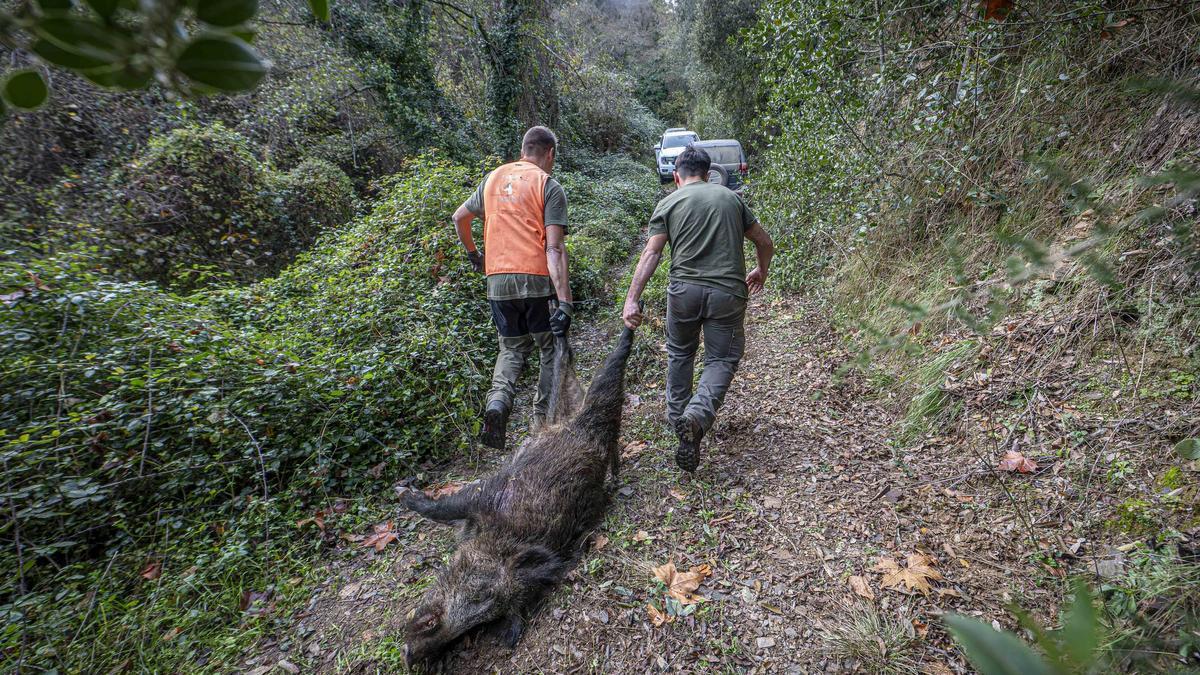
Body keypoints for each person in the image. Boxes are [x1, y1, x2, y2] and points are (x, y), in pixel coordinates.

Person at [621, 145, 774, 473]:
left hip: (683, 293)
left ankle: (679, 420)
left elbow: (652, 254)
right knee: (721, 358)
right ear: (709, 174)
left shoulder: (669, 202)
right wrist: (761, 270)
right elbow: (764, 241)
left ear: (677, 176)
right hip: (727, 293)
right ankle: (697, 416)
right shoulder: (731, 199)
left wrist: (632, 298)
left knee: (680, 354)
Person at [451, 126, 573, 450]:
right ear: (549, 154)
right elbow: (555, 249)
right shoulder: (548, 185)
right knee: (550, 347)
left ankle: (497, 404)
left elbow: (459, 218)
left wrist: (475, 255)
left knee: (511, 348)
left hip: (497, 279)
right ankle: (541, 424)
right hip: (534, 277)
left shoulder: (492, 179)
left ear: (523, 149)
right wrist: (565, 302)